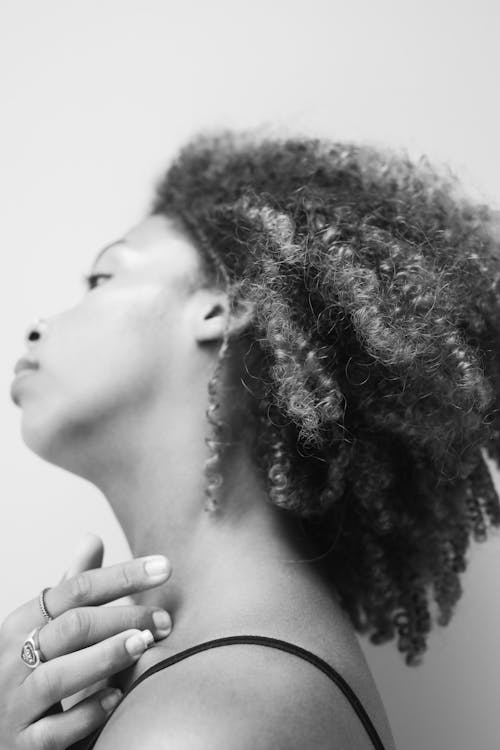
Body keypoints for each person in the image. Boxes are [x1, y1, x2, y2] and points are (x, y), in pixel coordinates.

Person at [3, 131, 500, 750]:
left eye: (102, 277)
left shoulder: (197, 724)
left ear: (224, 307)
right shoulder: (217, 681)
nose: (36, 325)